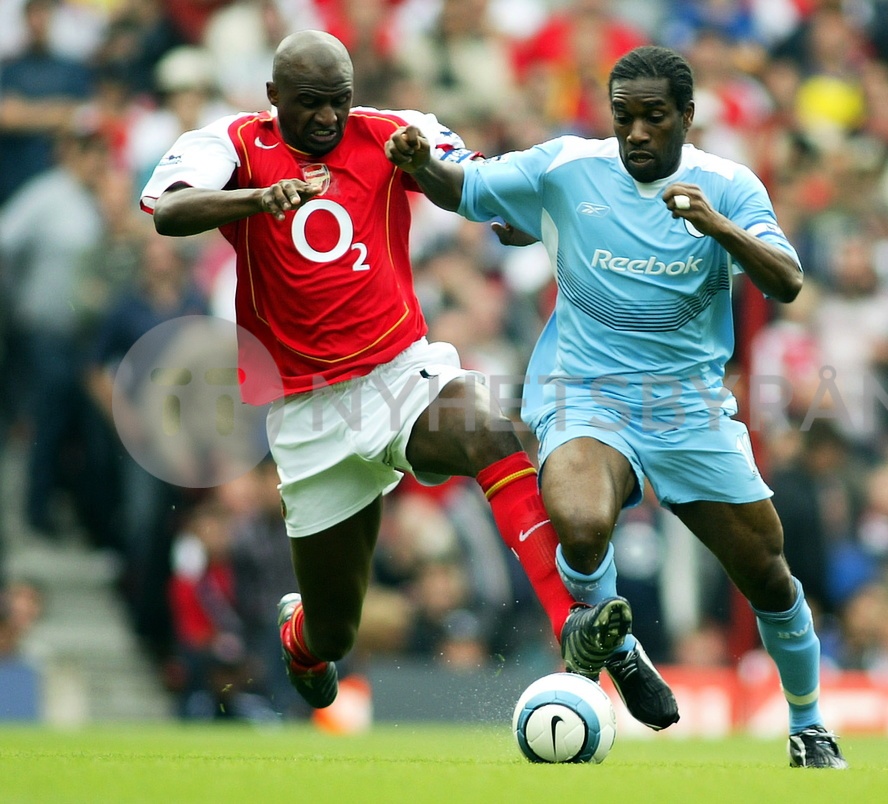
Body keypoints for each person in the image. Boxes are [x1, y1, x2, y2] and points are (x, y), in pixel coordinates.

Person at [387, 44, 848, 766]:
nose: (636, 132)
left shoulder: (727, 186)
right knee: (578, 518)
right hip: (585, 396)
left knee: (768, 574)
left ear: (686, 118)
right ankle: (619, 647)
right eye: (624, 117)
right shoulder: (568, 169)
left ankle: (809, 723)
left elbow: (787, 280)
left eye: (653, 118)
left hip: (688, 409)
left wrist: (719, 231)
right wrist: (419, 162)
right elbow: (463, 187)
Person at [138, 30, 621, 716]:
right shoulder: (233, 143)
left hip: (400, 373)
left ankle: (568, 624)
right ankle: (301, 638)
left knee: (486, 430)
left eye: (339, 102)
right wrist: (256, 199)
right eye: (310, 105)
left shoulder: (398, 131)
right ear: (274, 97)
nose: (328, 119)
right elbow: (169, 212)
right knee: (336, 628)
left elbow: (492, 199)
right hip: (308, 412)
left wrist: (425, 166)